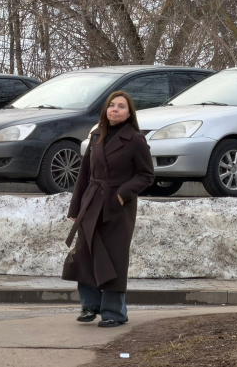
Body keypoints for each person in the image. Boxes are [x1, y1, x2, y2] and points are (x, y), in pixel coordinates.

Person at [61, 90, 155, 327]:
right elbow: (84, 174)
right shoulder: (96, 135)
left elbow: (146, 175)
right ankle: (90, 305)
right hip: (91, 202)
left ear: (129, 112)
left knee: (113, 257)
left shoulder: (135, 139)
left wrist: (123, 195)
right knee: (86, 253)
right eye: (111, 105)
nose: (115, 109)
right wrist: (75, 208)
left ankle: (115, 312)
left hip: (117, 207)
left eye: (121, 106)